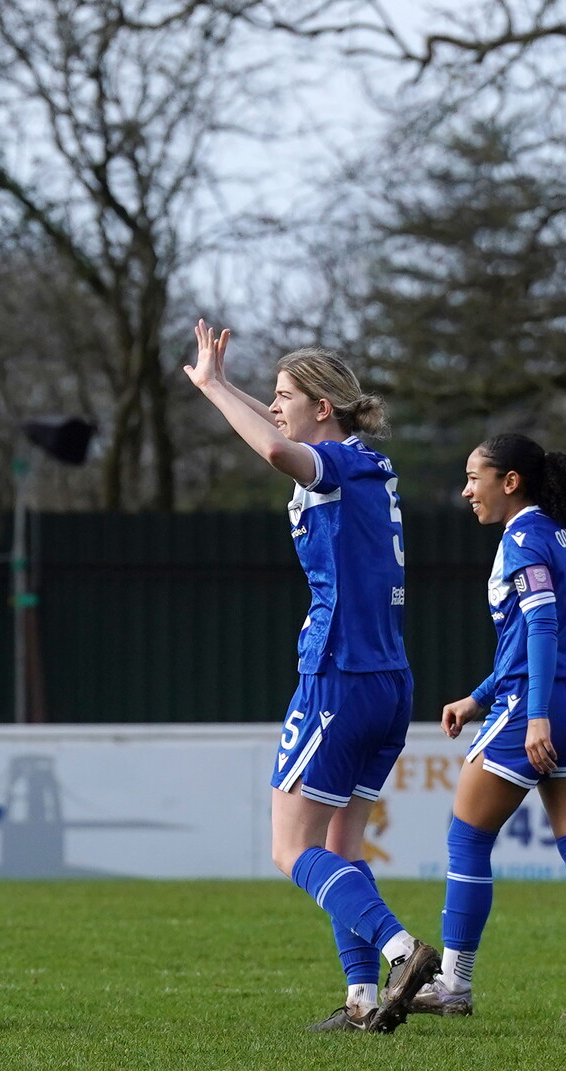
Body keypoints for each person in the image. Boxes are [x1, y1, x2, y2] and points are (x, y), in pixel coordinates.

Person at [184, 321, 439, 1033]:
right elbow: (277, 436)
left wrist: (210, 387)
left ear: (322, 407)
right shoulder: (369, 467)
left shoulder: (337, 467)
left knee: (289, 848)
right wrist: (222, 382)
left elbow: (272, 449)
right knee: (340, 849)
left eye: (285, 394)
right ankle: (362, 999)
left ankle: (401, 951)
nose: (275, 407)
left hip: (339, 676)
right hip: (387, 682)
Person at [409, 433, 566, 1022]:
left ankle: (453, 984)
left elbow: (539, 631)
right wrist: (478, 698)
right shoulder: (561, 535)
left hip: (545, 703)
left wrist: (533, 717)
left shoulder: (524, 539)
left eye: (474, 477)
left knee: (467, 839)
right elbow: (529, 639)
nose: (466, 490)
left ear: (510, 482)